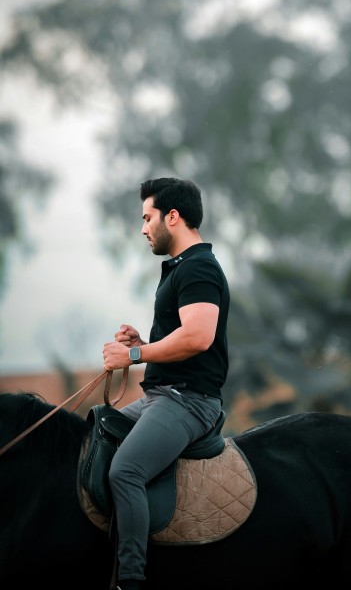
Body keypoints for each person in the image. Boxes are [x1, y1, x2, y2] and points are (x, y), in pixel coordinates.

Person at [102, 177, 230, 590]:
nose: (142, 228)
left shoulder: (199, 267)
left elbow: (198, 337)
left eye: (147, 217)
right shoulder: (181, 268)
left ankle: (131, 582)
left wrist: (134, 356)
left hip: (189, 403)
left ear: (172, 216)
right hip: (163, 396)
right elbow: (180, 340)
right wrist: (144, 344)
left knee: (125, 471)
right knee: (97, 437)